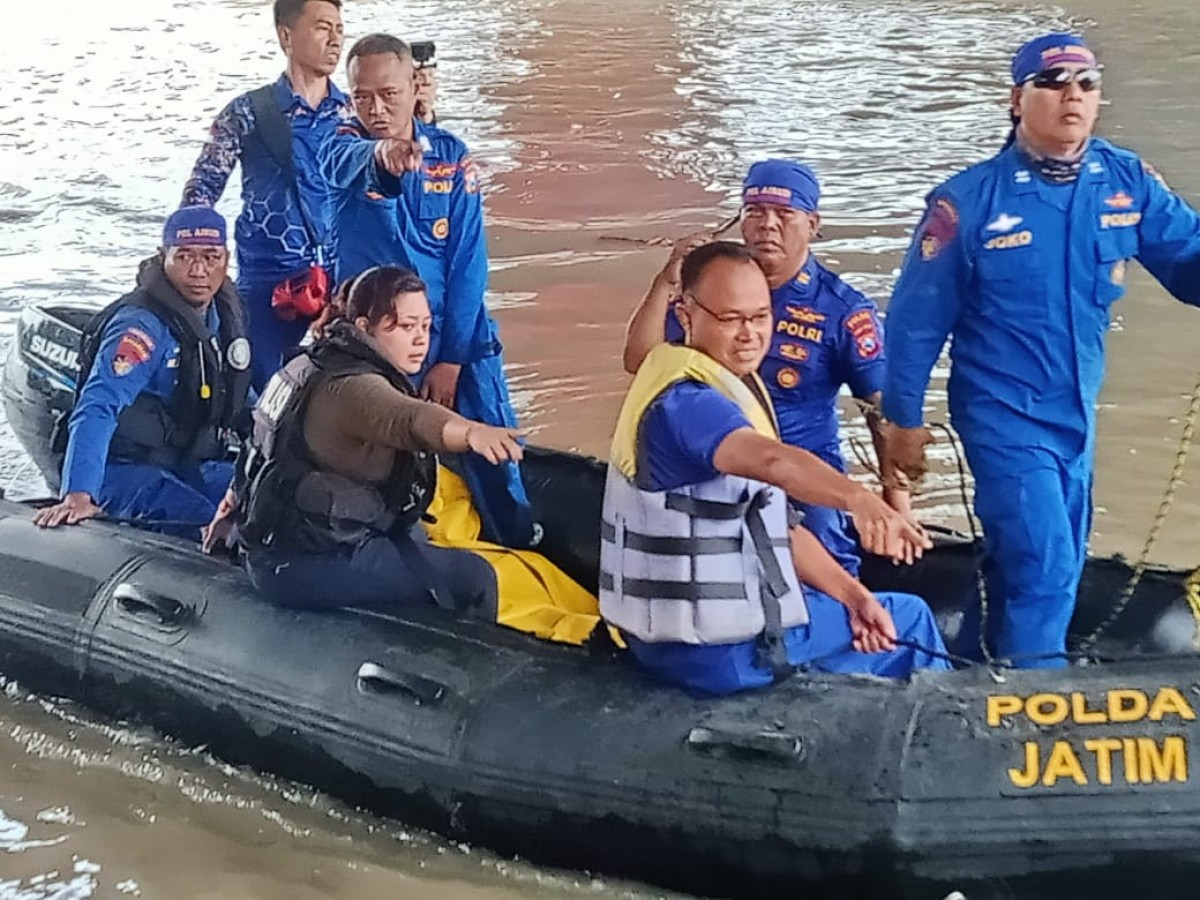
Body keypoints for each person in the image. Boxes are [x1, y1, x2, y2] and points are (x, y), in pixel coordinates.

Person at [880, 33, 1200, 669]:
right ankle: (1036, 708)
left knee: (1048, 557)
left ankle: (973, 669)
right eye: (1052, 82)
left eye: (1086, 83)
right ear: (1017, 99)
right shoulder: (967, 203)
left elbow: (1187, 263)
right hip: (1003, 415)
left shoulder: (1125, 182)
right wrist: (903, 424)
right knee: (1046, 560)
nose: (1072, 96)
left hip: (1076, 415)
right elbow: (915, 324)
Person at [602, 241, 949, 696]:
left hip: (673, 641)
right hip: (721, 653)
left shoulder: (720, 384)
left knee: (864, 615)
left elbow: (778, 525)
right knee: (912, 617)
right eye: (731, 319)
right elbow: (773, 461)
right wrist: (861, 499)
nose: (749, 334)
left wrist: (854, 597)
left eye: (760, 317)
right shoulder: (690, 403)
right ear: (686, 315)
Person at [623, 159, 907, 578]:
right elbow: (641, 363)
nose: (767, 225)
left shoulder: (842, 309)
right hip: (711, 457)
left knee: (826, 553)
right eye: (754, 213)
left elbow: (882, 412)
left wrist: (895, 501)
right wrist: (668, 281)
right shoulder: (709, 291)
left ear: (812, 224)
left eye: (784, 214)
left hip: (805, 469)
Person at [319, 33, 538, 549]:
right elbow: (348, 161)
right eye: (362, 95)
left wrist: (452, 359)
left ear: (414, 87)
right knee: (387, 454)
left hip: (458, 335)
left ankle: (517, 540)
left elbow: (468, 264)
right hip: (378, 343)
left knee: (493, 449)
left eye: (389, 95)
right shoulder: (338, 144)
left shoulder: (451, 157)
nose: (375, 108)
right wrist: (383, 155)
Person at [203, 266, 521, 619]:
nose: (420, 339)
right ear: (364, 328)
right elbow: (411, 419)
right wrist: (472, 433)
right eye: (403, 326)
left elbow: (258, 447)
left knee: (417, 538)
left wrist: (230, 506)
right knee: (475, 577)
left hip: (284, 542)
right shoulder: (352, 388)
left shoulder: (309, 363)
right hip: (302, 561)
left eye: (425, 326)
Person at [34, 207, 252, 539]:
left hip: (186, 462)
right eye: (184, 257)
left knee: (266, 506)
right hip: (123, 467)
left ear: (226, 258)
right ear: (163, 256)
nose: (198, 271)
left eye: (211, 258)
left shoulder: (221, 314)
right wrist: (79, 494)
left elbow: (242, 395)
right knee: (212, 527)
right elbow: (98, 405)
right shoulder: (140, 327)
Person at [182, 0, 352, 391]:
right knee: (256, 390)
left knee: (346, 390)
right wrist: (196, 265)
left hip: (342, 280)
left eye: (340, 29)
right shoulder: (247, 113)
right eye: (323, 27)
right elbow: (200, 194)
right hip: (267, 282)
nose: (335, 39)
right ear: (286, 35)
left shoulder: (352, 114)